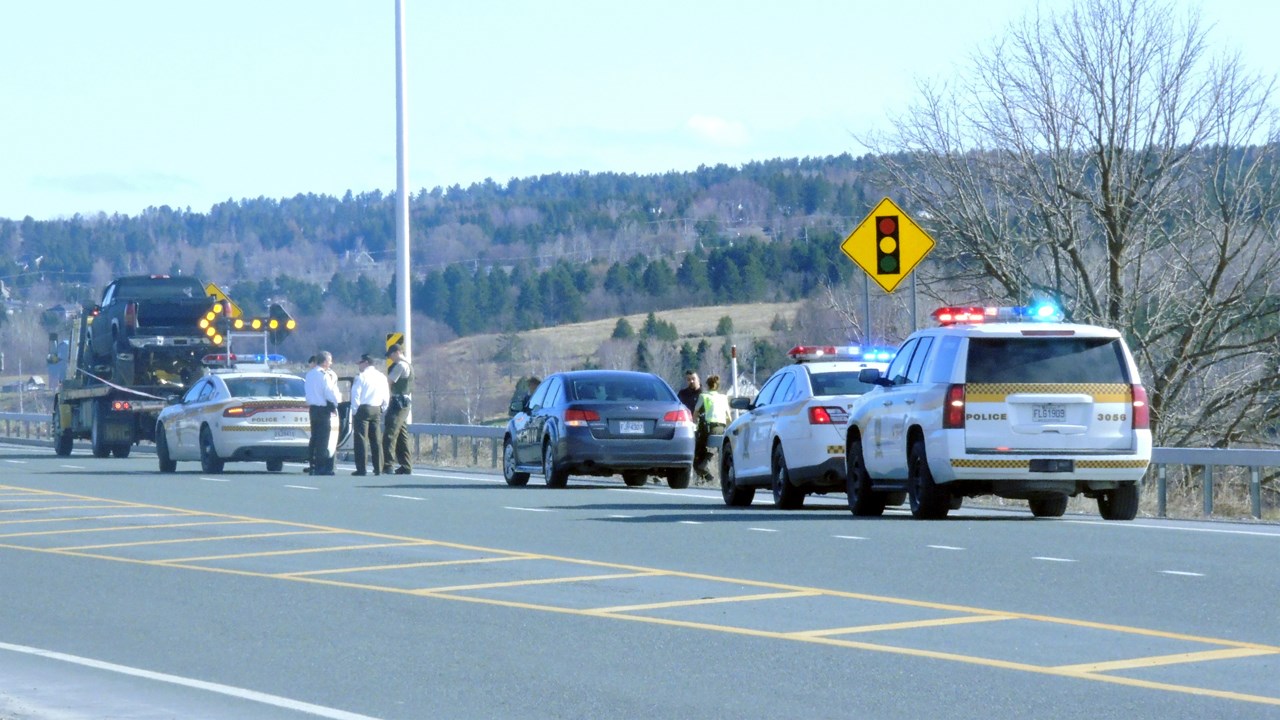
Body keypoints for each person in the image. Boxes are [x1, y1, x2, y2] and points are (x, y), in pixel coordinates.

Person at [349, 353, 390, 476]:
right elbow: (386, 395)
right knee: (376, 439)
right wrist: (383, 408)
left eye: (360, 363)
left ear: (366, 362)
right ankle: (378, 467)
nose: (359, 366)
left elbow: (355, 395)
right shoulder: (381, 377)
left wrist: (355, 410)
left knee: (361, 439)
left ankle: (361, 469)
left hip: (363, 408)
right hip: (376, 408)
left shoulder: (361, 377)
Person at [304, 351, 340, 475]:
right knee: (323, 440)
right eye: (330, 360)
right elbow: (329, 392)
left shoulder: (309, 375)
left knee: (314, 438)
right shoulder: (324, 375)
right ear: (324, 362)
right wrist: (335, 404)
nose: (331, 363)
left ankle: (312, 465)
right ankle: (321, 467)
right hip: (323, 409)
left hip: (313, 409)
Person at [382, 343, 413, 475]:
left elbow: (388, 382)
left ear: (396, 353)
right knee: (401, 435)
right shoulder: (409, 365)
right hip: (404, 402)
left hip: (398, 403)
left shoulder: (401, 365)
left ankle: (388, 464)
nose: (390, 358)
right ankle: (405, 465)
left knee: (390, 433)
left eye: (391, 355)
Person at [694, 374, 731, 480]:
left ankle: (703, 467)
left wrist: (694, 424)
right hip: (721, 428)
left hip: (709, 428)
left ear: (707, 385)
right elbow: (728, 417)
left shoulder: (704, 396)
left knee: (698, 449)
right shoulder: (723, 398)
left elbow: (696, 412)